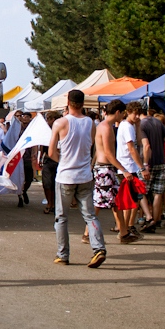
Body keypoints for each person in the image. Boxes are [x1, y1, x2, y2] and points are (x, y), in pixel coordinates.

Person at [48, 89, 106, 268]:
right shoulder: (90, 123)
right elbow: (91, 147)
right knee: (89, 215)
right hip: (85, 174)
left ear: (68, 102)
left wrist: (63, 161)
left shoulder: (60, 123)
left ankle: (63, 254)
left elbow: (51, 152)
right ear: (83, 103)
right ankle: (99, 249)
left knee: (62, 217)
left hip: (66, 174)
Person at [92, 100, 136, 244]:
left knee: (111, 201)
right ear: (117, 112)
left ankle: (123, 233)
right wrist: (123, 170)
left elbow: (97, 151)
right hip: (105, 168)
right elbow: (109, 153)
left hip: (102, 168)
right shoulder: (106, 127)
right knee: (104, 202)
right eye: (122, 113)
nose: (123, 116)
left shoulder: (103, 126)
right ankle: (122, 233)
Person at [116, 101, 155, 236]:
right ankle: (126, 229)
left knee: (135, 199)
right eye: (135, 114)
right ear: (128, 112)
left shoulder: (129, 126)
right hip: (128, 166)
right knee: (131, 200)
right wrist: (142, 167)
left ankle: (128, 227)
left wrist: (138, 126)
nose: (137, 116)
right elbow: (132, 149)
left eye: (139, 114)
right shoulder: (126, 127)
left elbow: (138, 141)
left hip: (129, 166)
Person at [140, 107, 165, 231]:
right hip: (161, 161)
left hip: (149, 162)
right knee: (158, 193)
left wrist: (145, 164)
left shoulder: (142, 125)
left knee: (141, 192)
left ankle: (149, 218)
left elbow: (146, 146)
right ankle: (156, 220)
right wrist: (158, 140)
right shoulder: (157, 122)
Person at [40, 111, 62, 214]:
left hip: (59, 159)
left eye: (48, 118)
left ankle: (55, 204)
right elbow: (41, 144)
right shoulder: (45, 130)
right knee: (47, 183)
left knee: (56, 184)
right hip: (48, 159)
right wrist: (39, 157)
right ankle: (50, 203)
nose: (47, 120)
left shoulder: (60, 130)